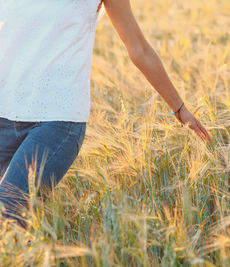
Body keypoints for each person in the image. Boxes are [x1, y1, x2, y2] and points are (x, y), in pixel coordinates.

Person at [0, 0, 212, 229]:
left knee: (7, 216)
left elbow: (139, 49)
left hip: (57, 121)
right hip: (3, 110)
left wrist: (179, 109)